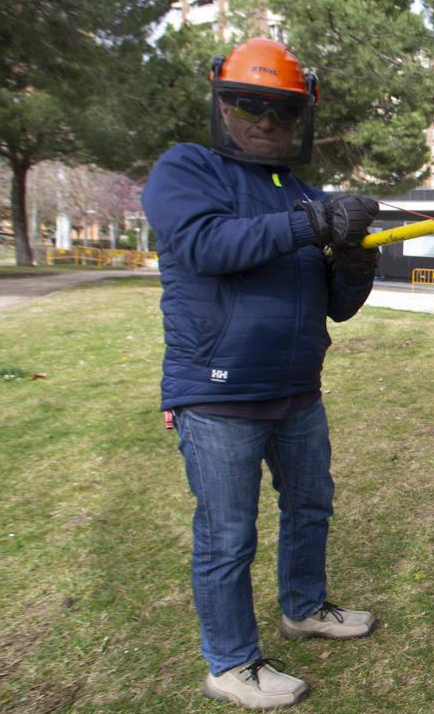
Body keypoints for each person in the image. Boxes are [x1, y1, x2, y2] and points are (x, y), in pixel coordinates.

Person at [141, 38, 381, 710]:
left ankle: (304, 607)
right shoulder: (186, 169)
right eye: (248, 105)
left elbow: (337, 304)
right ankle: (230, 663)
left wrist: (356, 259)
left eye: (280, 110)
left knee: (310, 509)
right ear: (222, 105)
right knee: (227, 536)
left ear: (300, 117)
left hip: (298, 392)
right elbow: (202, 245)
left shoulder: (303, 192)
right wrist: (310, 223)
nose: (265, 121)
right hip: (218, 396)